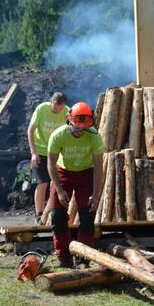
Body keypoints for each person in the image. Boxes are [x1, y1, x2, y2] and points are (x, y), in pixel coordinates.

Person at [47, 102, 104, 268]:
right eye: (77, 127)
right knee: (57, 216)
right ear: (69, 120)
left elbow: (99, 167)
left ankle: (83, 259)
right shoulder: (58, 135)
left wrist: (96, 193)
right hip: (63, 173)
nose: (80, 131)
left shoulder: (94, 137)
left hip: (86, 173)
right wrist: (58, 189)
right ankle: (64, 258)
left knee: (87, 216)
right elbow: (50, 164)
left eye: (83, 128)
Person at [27, 92, 69, 224]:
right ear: (51, 102)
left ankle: (56, 212)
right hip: (41, 151)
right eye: (56, 108)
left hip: (58, 152)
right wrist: (34, 153)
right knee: (42, 182)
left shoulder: (67, 111)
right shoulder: (41, 109)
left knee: (59, 182)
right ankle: (39, 214)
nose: (58, 110)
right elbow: (30, 130)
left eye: (60, 108)